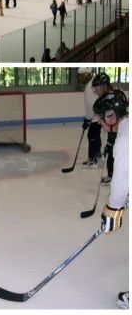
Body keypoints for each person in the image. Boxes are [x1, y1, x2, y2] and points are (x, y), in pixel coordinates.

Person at [93, 90, 128, 309]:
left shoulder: (124, 140)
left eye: (103, 119)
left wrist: (112, 209)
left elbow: (121, 182)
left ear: (113, 116)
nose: (101, 124)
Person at [92, 72, 125, 184]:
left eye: (97, 87)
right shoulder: (104, 99)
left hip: (120, 133)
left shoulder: (115, 98)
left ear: (103, 86)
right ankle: (111, 175)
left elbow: (117, 122)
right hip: (116, 132)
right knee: (111, 153)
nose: (95, 91)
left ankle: (116, 178)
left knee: (115, 154)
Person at [78, 69, 102, 167]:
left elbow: (92, 106)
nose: (80, 78)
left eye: (81, 75)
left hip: (95, 117)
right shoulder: (93, 83)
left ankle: (92, 159)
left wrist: (87, 119)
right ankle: (97, 153)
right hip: (98, 116)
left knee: (92, 136)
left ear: (86, 74)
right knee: (96, 135)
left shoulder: (89, 87)